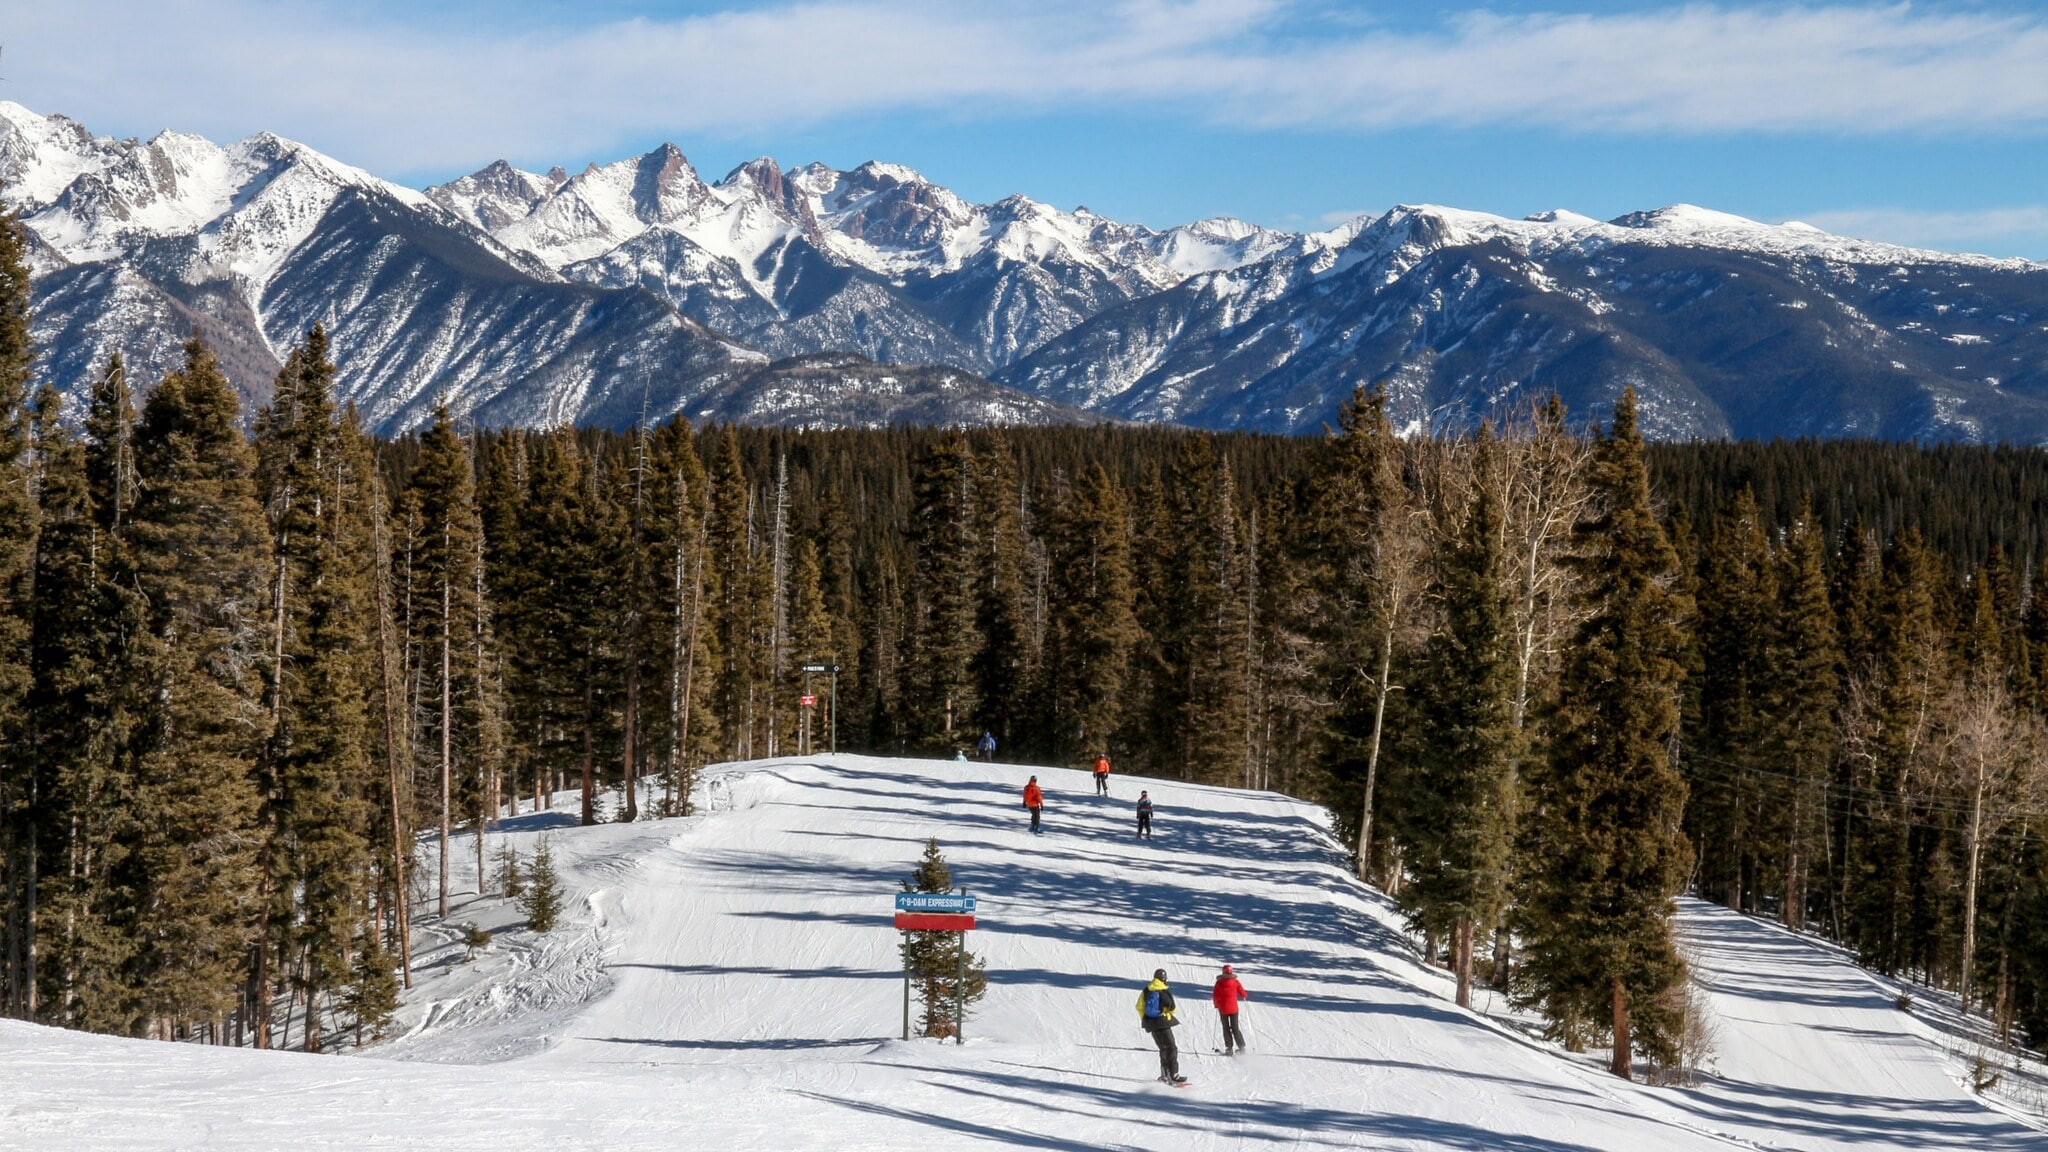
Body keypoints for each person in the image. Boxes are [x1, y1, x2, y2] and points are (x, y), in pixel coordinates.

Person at [1137, 968, 1185, 1085]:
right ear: (1164, 978)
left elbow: (1139, 1006)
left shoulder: (1147, 990)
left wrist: (1146, 1018)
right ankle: (1173, 1074)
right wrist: (1162, 1014)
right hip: (1161, 1022)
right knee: (1171, 1047)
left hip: (1152, 1024)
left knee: (1164, 1048)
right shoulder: (1160, 990)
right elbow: (1167, 1008)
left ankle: (1165, 1074)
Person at [1213, 964, 1248, 1055]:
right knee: (1235, 1027)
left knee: (1226, 1028)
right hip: (1234, 1008)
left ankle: (1229, 1048)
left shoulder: (1219, 983)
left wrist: (1216, 1005)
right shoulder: (1236, 982)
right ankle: (1241, 1047)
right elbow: (1243, 993)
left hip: (1223, 1008)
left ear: (1223, 972)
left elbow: (1215, 996)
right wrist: (1244, 995)